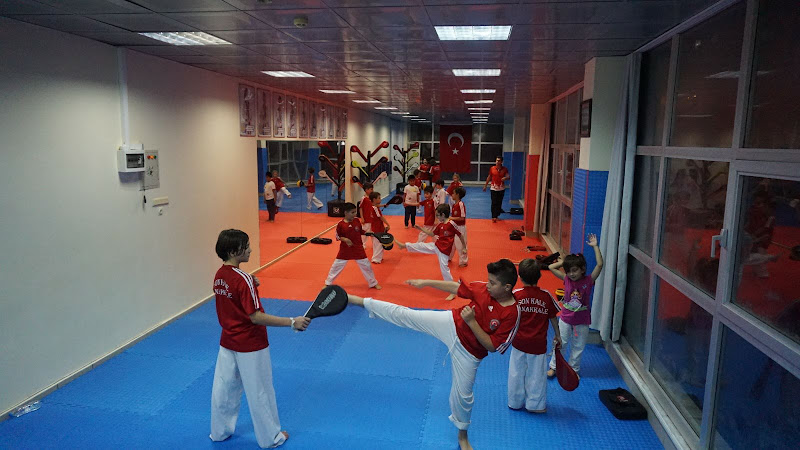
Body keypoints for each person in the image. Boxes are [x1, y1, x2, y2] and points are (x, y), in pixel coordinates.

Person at [346, 259, 521, 450]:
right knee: (407, 315)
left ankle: (462, 436)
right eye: (488, 280)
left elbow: (492, 346)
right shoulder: (484, 289)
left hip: (470, 352)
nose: (487, 285)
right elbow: (457, 288)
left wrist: (472, 322)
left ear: (507, 287)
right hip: (452, 324)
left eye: (493, 283)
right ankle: (359, 301)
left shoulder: (512, 314)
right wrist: (426, 282)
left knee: (463, 396)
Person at [210, 229, 311, 448]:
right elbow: (255, 317)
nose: (250, 250)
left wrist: (249, 283)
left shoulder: (219, 275)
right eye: (246, 246)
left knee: (224, 389)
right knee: (260, 392)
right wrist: (292, 321)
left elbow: (233, 296)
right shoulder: (243, 279)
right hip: (251, 344)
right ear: (233, 251)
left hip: (227, 341)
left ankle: (219, 432)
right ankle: (271, 438)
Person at [546, 233, 604, 377]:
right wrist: (565, 263)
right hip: (566, 318)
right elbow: (551, 267)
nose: (571, 274)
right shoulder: (566, 279)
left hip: (582, 320)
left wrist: (595, 247)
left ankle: (573, 370)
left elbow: (600, 265)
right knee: (561, 343)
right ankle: (554, 366)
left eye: (575, 270)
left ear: (582, 269)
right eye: (569, 271)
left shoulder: (588, 281)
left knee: (578, 346)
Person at [508, 259, 561, 413]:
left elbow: (507, 316)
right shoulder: (546, 296)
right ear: (539, 276)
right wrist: (558, 335)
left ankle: (514, 402)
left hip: (519, 343)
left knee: (516, 373)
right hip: (538, 345)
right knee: (537, 376)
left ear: (519, 277)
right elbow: (553, 317)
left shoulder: (516, 295)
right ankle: (535, 405)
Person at [397, 204, 467, 300]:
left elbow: (460, 235)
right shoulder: (440, 225)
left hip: (444, 251)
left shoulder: (451, 224)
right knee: (421, 245)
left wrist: (464, 247)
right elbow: (432, 234)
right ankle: (404, 245)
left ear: (443, 215)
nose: (437, 217)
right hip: (437, 245)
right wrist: (421, 228)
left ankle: (452, 291)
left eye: (438, 215)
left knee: (444, 270)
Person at [324, 202, 381, 289]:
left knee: (366, 266)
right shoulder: (341, 224)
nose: (355, 214)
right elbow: (338, 236)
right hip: (345, 249)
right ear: (346, 213)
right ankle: (328, 283)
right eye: (352, 212)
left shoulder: (356, 221)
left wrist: (367, 233)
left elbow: (360, 231)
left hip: (358, 248)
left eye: (355, 212)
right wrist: (345, 239)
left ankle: (373, 283)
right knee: (336, 266)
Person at [483, 156, 510, 223]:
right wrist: (485, 185)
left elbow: (508, 176)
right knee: (494, 202)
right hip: (493, 188)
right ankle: (493, 217)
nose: (497, 162)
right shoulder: (492, 168)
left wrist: (505, 178)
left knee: (499, 203)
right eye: (496, 160)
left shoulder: (504, 169)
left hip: (501, 188)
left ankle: (497, 215)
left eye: (499, 161)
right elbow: (489, 177)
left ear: (501, 162)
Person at [368, 191, 390, 264]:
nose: (380, 199)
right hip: (378, 228)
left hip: (373, 228)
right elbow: (381, 217)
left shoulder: (371, 206)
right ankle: (376, 259)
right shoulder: (375, 209)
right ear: (374, 199)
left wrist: (383, 205)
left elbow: (377, 206)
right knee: (379, 243)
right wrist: (388, 224)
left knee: (375, 243)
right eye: (379, 198)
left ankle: (378, 257)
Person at [450, 187, 468, 267]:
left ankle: (463, 261)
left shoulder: (461, 204)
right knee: (451, 243)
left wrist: (451, 218)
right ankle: (448, 257)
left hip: (460, 228)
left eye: (453, 193)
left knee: (461, 245)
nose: (452, 195)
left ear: (457, 195)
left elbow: (462, 218)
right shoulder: (454, 205)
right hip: (454, 226)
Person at [359, 182, 375, 249]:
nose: (372, 190)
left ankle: (375, 244)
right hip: (366, 218)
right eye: (371, 189)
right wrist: (362, 218)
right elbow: (361, 208)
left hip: (373, 219)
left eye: (372, 189)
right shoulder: (363, 198)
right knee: (365, 233)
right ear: (366, 190)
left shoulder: (373, 198)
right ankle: (363, 244)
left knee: (373, 232)